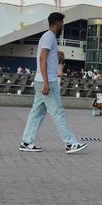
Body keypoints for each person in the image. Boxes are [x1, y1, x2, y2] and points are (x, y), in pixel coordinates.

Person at [18, 12, 87, 154]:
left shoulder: (48, 37)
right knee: (58, 112)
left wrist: (57, 55)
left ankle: (26, 142)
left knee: (36, 113)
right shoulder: (49, 37)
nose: (63, 26)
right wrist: (46, 82)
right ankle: (70, 143)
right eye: (62, 23)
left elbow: (46, 58)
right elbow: (42, 59)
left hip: (42, 80)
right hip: (47, 80)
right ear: (58, 23)